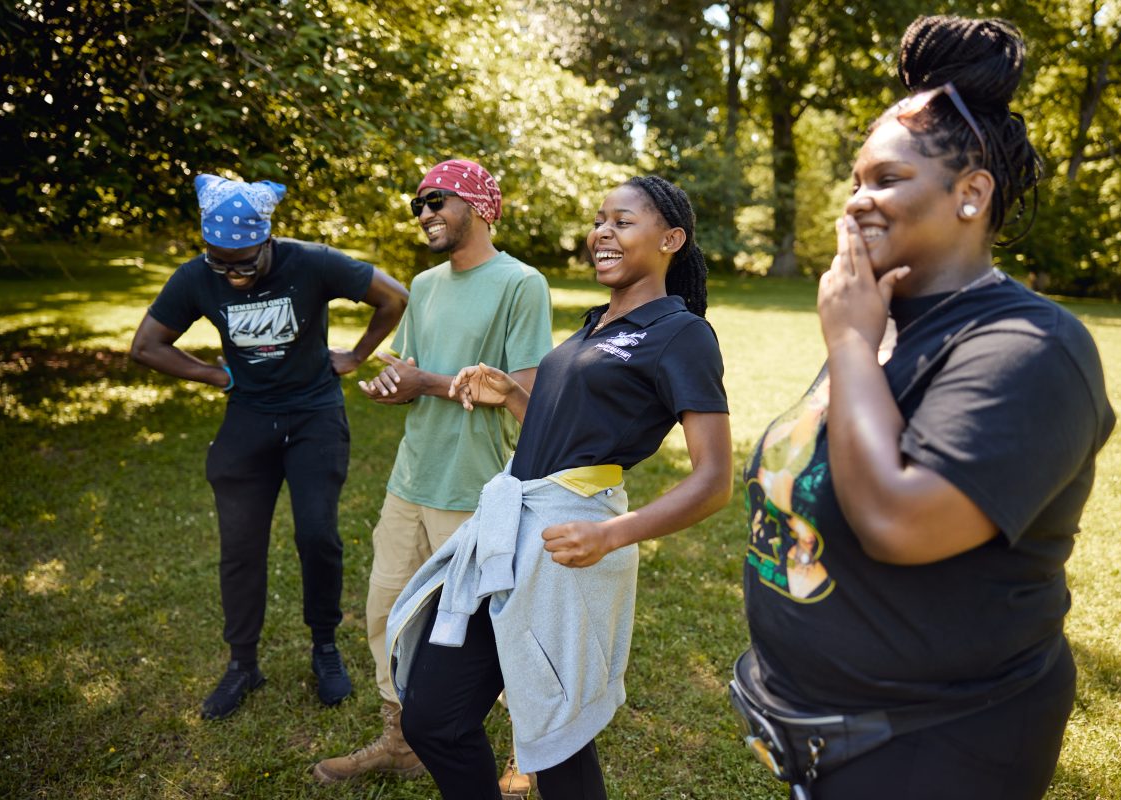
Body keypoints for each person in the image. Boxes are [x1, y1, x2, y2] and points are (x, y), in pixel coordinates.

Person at [737, 16, 1116, 800]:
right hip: (830, 741)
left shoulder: (1030, 348)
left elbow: (899, 522)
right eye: (853, 182)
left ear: (971, 193)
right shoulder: (882, 321)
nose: (855, 204)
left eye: (885, 180)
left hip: (941, 747)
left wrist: (846, 340)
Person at [385, 175, 733, 800]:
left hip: (570, 543)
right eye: (600, 220)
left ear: (670, 238)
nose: (603, 231)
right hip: (511, 526)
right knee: (433, 718)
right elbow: (565, 435)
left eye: (624, 221)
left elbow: (713, 481)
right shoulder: (596, 322)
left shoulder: (681, 334)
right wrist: (514, 395)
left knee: (559, 740)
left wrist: (610, 535)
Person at [311, 159, 553, 797]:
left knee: (493, 626)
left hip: (478, 487)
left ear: (476, 205)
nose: (424, 214)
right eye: (417, 203)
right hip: (410, 480)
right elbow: (410, 366)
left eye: (437, 201)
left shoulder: (520, 284)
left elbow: (526, 393)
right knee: (386, 613)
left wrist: (429, 384)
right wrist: (396, 381)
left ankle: (530, 749)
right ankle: (402, 740)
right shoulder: (423, 284)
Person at [130, 174, 408, 720]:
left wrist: (354, 356)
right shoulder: (195, 277)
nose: (231, 277)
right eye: (219, 262)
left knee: (317, 534)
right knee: (239, 546)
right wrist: (214, 376)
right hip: (248, 421)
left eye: (244, 263)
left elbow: (393, 296)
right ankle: (242, 664)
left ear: (267, 242)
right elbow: (147, 346)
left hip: (314, 418)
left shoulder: (311, 263)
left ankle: (324, 646)